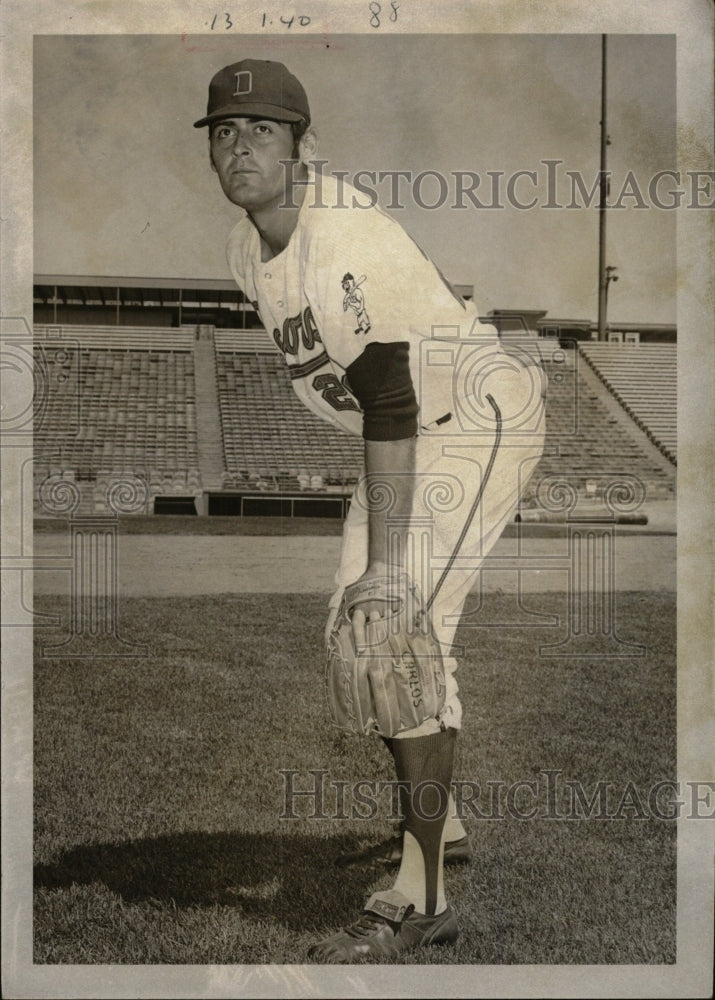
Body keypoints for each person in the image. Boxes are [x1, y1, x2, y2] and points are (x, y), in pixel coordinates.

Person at [194, 58, 547, 962]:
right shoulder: (247, 251)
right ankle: (444, 827)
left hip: (472, 417)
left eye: (262, 130)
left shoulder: (343, 234)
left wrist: (388, 566)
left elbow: (388, 395)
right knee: (370, 637)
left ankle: (422, 894)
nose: (241, 147)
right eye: (225, 132)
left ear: (304, 147)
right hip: (415, 427)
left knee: (392, 629)